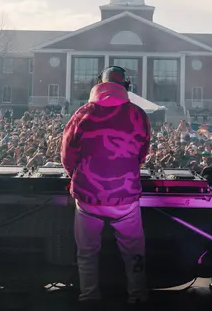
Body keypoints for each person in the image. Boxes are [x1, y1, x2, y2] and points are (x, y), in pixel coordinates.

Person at [61, 66, 151, 306]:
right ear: (126, 86)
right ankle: (138, 296)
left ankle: (89, 297)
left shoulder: (82, 114)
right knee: (134, 252)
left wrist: (79, 177)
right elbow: (142, 154)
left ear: (98, 84)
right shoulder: (138, 115)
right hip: (126, 198)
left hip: (88, 197)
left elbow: (67, 155)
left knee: (87, 252)